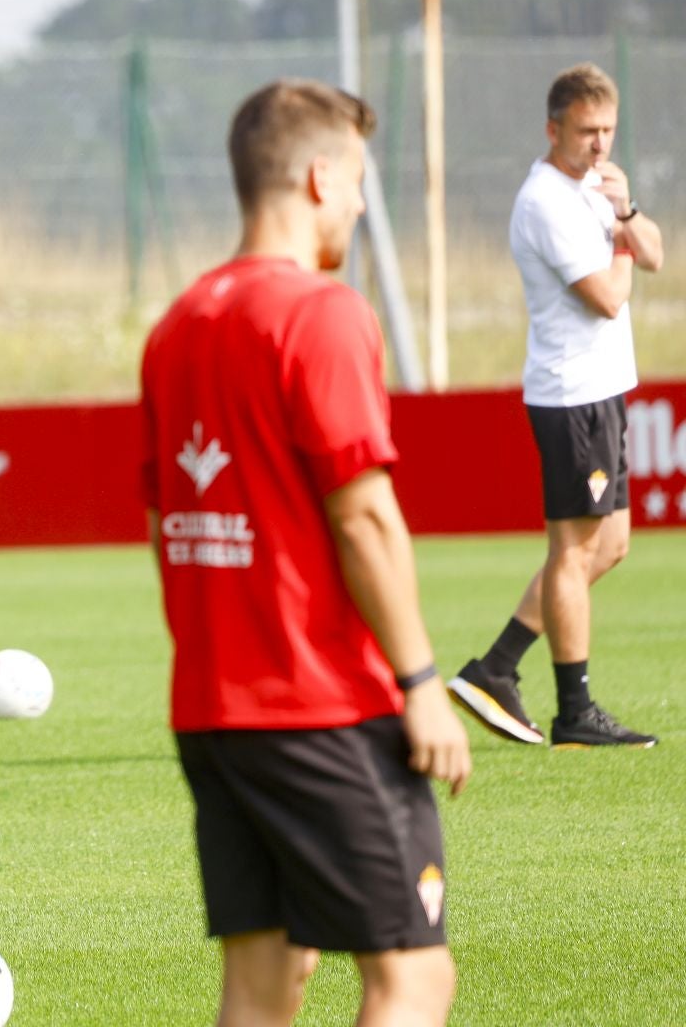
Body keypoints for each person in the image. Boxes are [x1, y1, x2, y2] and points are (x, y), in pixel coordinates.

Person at [139, 80, 471, 1027]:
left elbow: (168, 523)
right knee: (413, 979)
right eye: (359, 181)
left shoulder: (178, 325)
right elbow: (364, 517)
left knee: (264, 983)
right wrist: (421, 681)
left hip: (213, 711)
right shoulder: (321, 312)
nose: (361, 205)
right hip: (323, 708)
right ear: (321, 177)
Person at [448, 63, 665, 749]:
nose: (599, 144)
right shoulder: (544, 200)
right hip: (572, 396)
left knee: (612, 544)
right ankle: (575, 711)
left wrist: (626, 215)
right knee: (573, 549)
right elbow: (607, 297)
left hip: (604, 390)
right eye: (585, 131)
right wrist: (621, 241)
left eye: (607, 130)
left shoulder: (598, 187)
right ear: (552, 130)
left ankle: (497, 667)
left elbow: (655, 256)